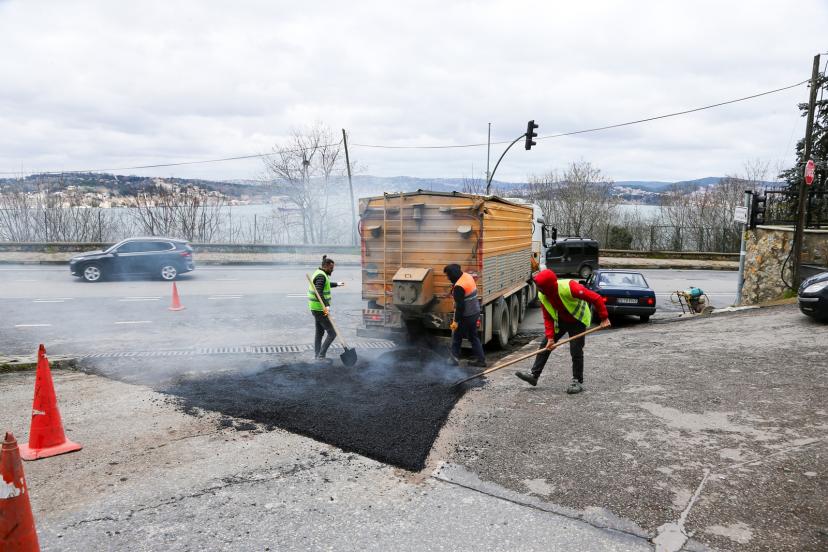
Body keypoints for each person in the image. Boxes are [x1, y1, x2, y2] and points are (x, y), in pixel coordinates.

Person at [516, 268, 610, 393]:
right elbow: (548, 317)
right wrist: (550, 338)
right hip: (561, 320)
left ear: (547, 287)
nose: (538, 289)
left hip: (578, 320)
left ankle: (577, 381)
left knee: (576, 350)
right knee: (545, 345)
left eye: (540, 286)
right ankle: (534, 376)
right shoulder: (543, 295)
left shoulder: (570, 287)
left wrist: (604, 318)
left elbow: (596, 298)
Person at [443, 264, 486, 368]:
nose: (447, 277)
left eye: (448, 275)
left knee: (457, 337)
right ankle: (481, 360)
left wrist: (456, 322)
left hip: (466, 315)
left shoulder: (459, 287)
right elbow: (462, 291)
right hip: (475, 311)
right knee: (473, 337)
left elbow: (460, 307)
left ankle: (453, 359)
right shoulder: (466, 276)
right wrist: (451, 292)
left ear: (453, 274)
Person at [308, 255, 344, 362]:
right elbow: (318, 292)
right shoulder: (321, 276)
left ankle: (317, 356)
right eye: (331, 268)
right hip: (320, 309)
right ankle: (321, 356)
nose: (332, 270)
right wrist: (326, 305)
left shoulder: (320, 273)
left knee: (319, 333)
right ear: (326, 266)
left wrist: (337, 284)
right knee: (332, 333)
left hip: (316, 308)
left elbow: (325, 285)